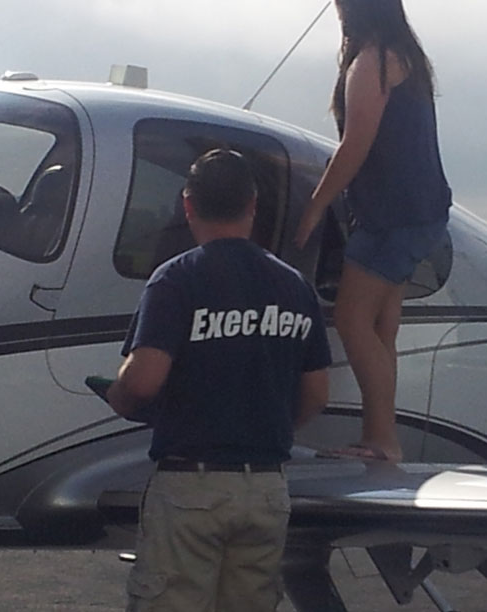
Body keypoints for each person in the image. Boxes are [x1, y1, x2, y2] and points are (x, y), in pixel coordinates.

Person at [107, 149, 331, 612]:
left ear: (188, 205)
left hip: (193, 486)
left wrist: (119, 392)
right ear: (253, 205)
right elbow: (315, 395)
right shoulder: (294, 287)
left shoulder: (177, 280)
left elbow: (144, 381)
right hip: (267, 490)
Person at [294, 0, 452, 463]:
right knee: (383, 327)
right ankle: (382, 435)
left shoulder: (372, 64)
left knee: (352, 319)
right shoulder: (404, 59)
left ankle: (382, 439)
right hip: (419, 210)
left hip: (390, 215)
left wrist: (314, 207)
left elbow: (353, 148)